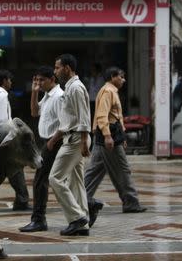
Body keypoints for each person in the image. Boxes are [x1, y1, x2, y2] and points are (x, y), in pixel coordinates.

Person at [85, 66, 147, 228]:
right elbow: (102, 116)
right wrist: (107, 136)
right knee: (123, 169)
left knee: (95, 171)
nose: (123, 80)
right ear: (113, 76)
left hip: (108, 136)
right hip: (109, 136)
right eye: (121, 77)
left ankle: (80, 199)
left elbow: (114, 117)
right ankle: (131, 202)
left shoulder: (109, 91)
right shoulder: (108, 92)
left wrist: (121, 135)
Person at [47, 54, 91, 236]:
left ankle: (77, 217)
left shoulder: (76, 88)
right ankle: (83, 223)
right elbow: (70, 118)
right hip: (72, 138)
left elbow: (83, 117)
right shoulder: (70, 87)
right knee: (76, 181)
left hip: (75, 140)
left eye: (57, 68)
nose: (55, 71)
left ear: (67, 68)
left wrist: (83, 142)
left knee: (54, 178)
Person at [19, 65, 64, 232]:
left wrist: (52, 142)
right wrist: (34, 92)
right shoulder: (47, 95)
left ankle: (38, 219)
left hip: (54, 142)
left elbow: (64, 122)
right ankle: (88, 205)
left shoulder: (59, 96)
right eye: (36, 80)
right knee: (60, 181)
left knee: (40, 181)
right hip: (45, 142)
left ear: (52, 79)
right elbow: (33, 112)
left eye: (41, 80)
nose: (38, 83)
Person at [0, 69, 31, 211]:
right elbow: (5, 120)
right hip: (2, 138)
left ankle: (22, 200)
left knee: (0, 170)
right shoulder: (3, 95)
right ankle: (22, 200)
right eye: (9, 80)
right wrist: (11, 139)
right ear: (4, 80)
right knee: (15, 166)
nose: (11, 82)